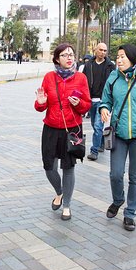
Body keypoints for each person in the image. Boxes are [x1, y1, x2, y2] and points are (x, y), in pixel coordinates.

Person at [100, 44, 136, 232]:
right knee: (115, 173)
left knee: (135, 177)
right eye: (117, 56)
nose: (118, 60)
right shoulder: (113, 78)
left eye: (122, 56)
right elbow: (106, 100)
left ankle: (130, 213)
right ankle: (118, 200)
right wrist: (103, 108)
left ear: (132, 58)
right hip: (118, 134)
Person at [35, 43, 91, 222]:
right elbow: (40, 106)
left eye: (72, 55)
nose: (69, 58)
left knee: (68, 167)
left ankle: (66, 205)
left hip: (72, 129)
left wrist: (78, 104)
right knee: (49, 166)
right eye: (65, 55)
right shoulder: (49, 77)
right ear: (57, 59)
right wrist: (41, 102)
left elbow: (87, 105)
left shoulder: (80, 78)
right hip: (51, 128)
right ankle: (59, 192)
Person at [82, 43, 115, 161]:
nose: (103, 52)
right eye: (101, 50)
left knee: (97, 126)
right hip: (90, 100)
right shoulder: (88, 64)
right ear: (95, 50)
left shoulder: (110, 66)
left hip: (103, 102)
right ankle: (100, 143)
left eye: (105, 50)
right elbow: (83, 81)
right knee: (94, 125)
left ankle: (94, 151)